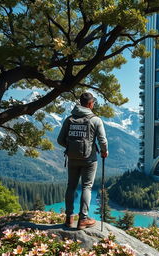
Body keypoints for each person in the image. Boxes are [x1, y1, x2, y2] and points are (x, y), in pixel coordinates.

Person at [57, 92, 108, 230]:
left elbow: (60, 140)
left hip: (72, 158)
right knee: (87, 187)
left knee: (71, 186)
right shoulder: (95, 120)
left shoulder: (69, 119)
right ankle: (83, 219)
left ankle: (68, 218)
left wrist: (71, 147)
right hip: (89, 159)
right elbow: (102, 140)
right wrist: (104, 151)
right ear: (90, 104)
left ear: (80, 103)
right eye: (94, 103)